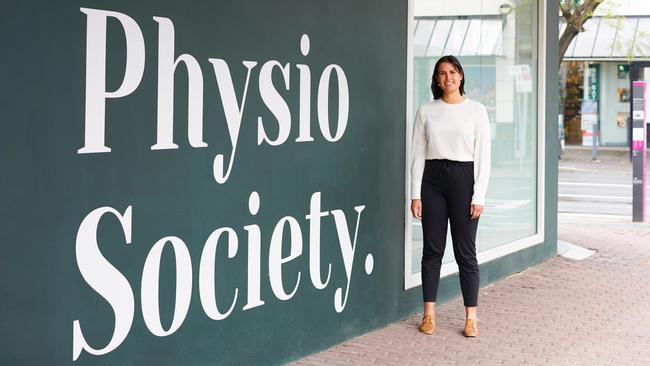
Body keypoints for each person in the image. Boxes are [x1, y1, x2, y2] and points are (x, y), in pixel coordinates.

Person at [410, 55, 491, 338]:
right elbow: (418, 154)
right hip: (432, 180)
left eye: (453, 72)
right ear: (436, 79)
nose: (448, 78)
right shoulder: (426, 110)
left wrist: (478, 195)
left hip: (463, 180)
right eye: (442, 73)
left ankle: (471, 317)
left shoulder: (476, 111)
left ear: (461, 76)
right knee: (432, 250)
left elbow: (484, 157)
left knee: (465, 252)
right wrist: (415, 194)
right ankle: (429, 314)